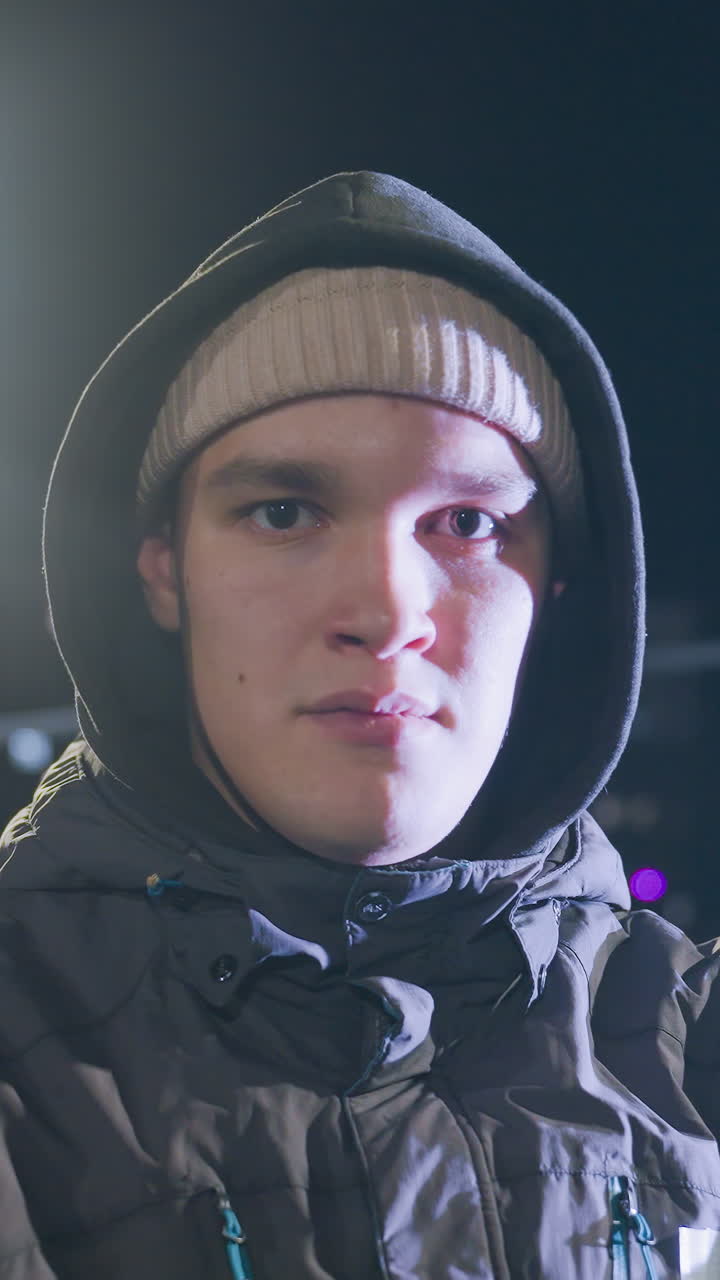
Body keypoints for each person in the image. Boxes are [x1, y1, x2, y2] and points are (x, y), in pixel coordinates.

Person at [1, 170, 719, 1280]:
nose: (386, 611)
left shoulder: (689, 1047)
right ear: (162, 572)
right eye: (283, 511)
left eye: (470, 522)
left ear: (562, 588)